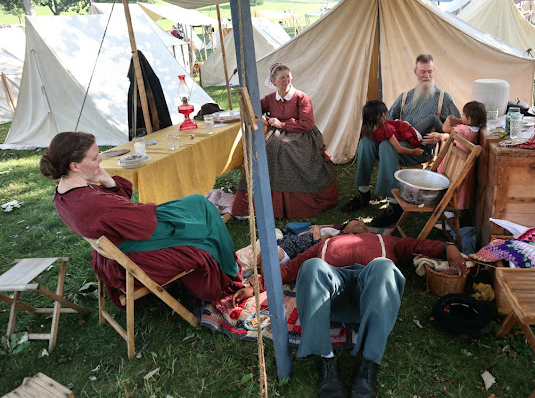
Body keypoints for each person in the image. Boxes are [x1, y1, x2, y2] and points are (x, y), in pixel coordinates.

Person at [232, 219, 467, 398]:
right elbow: (290, 269)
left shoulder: (387, 241)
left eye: (362, 223)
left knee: (385, 267)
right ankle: (327, 359)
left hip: (371, 293)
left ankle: (368, 364)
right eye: (353, 223)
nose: (358, 222)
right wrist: (256, 286)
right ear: (343, 231)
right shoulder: (325, 243)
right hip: (333, 293)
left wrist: (448, 247)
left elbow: (418, 244)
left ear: (370, 231)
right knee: (311, 266)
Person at [40, 132, 243, 308]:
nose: (100, 159)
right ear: (75, 166)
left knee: (198, 203)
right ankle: (229, 274)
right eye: (94, 158)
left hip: (123, 241)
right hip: (136, 250)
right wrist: (145, 209)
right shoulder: (93, 203)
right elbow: (145, 223)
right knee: (203, 214)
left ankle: (225, 260)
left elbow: (123, 208)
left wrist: (107, 181)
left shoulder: (64, 193)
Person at [342, 54, 461, 227]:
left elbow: (459, 130)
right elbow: (387, 121)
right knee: (366, 142)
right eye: (423, 72)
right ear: (415, 72)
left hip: (421, 149)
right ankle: (363, 192)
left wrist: (442, 136)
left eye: (430, 71)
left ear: (434, 71)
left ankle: (394, 205)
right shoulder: (405, 97)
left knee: (387, 146)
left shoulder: (444, 98)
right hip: (398, 141)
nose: (427, 76)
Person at [231, 63, 338, 218]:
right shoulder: (270, 99)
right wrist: (262, 118)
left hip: (301, 134)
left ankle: (292, 200)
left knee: (286, 149)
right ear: (273, 81)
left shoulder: (301, 98)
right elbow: (253, 110)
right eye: (282, 78)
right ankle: (263, 200)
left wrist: (282, 124)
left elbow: (307, 124)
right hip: (276, 133)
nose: (286, 80)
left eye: (288, 76)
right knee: (266, 149)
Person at [427, 101, 486, 215]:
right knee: (460, 190)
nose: (461, 117)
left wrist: (448, 119)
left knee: (449, 186)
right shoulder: (474, 130)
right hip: (463, 166)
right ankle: (452, 213)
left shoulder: (464, 130)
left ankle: (448, 214)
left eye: (463, 115)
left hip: (455, 164)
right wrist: (460, 120)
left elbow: (445, 128)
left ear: (469, 119)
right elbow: (467, 123)